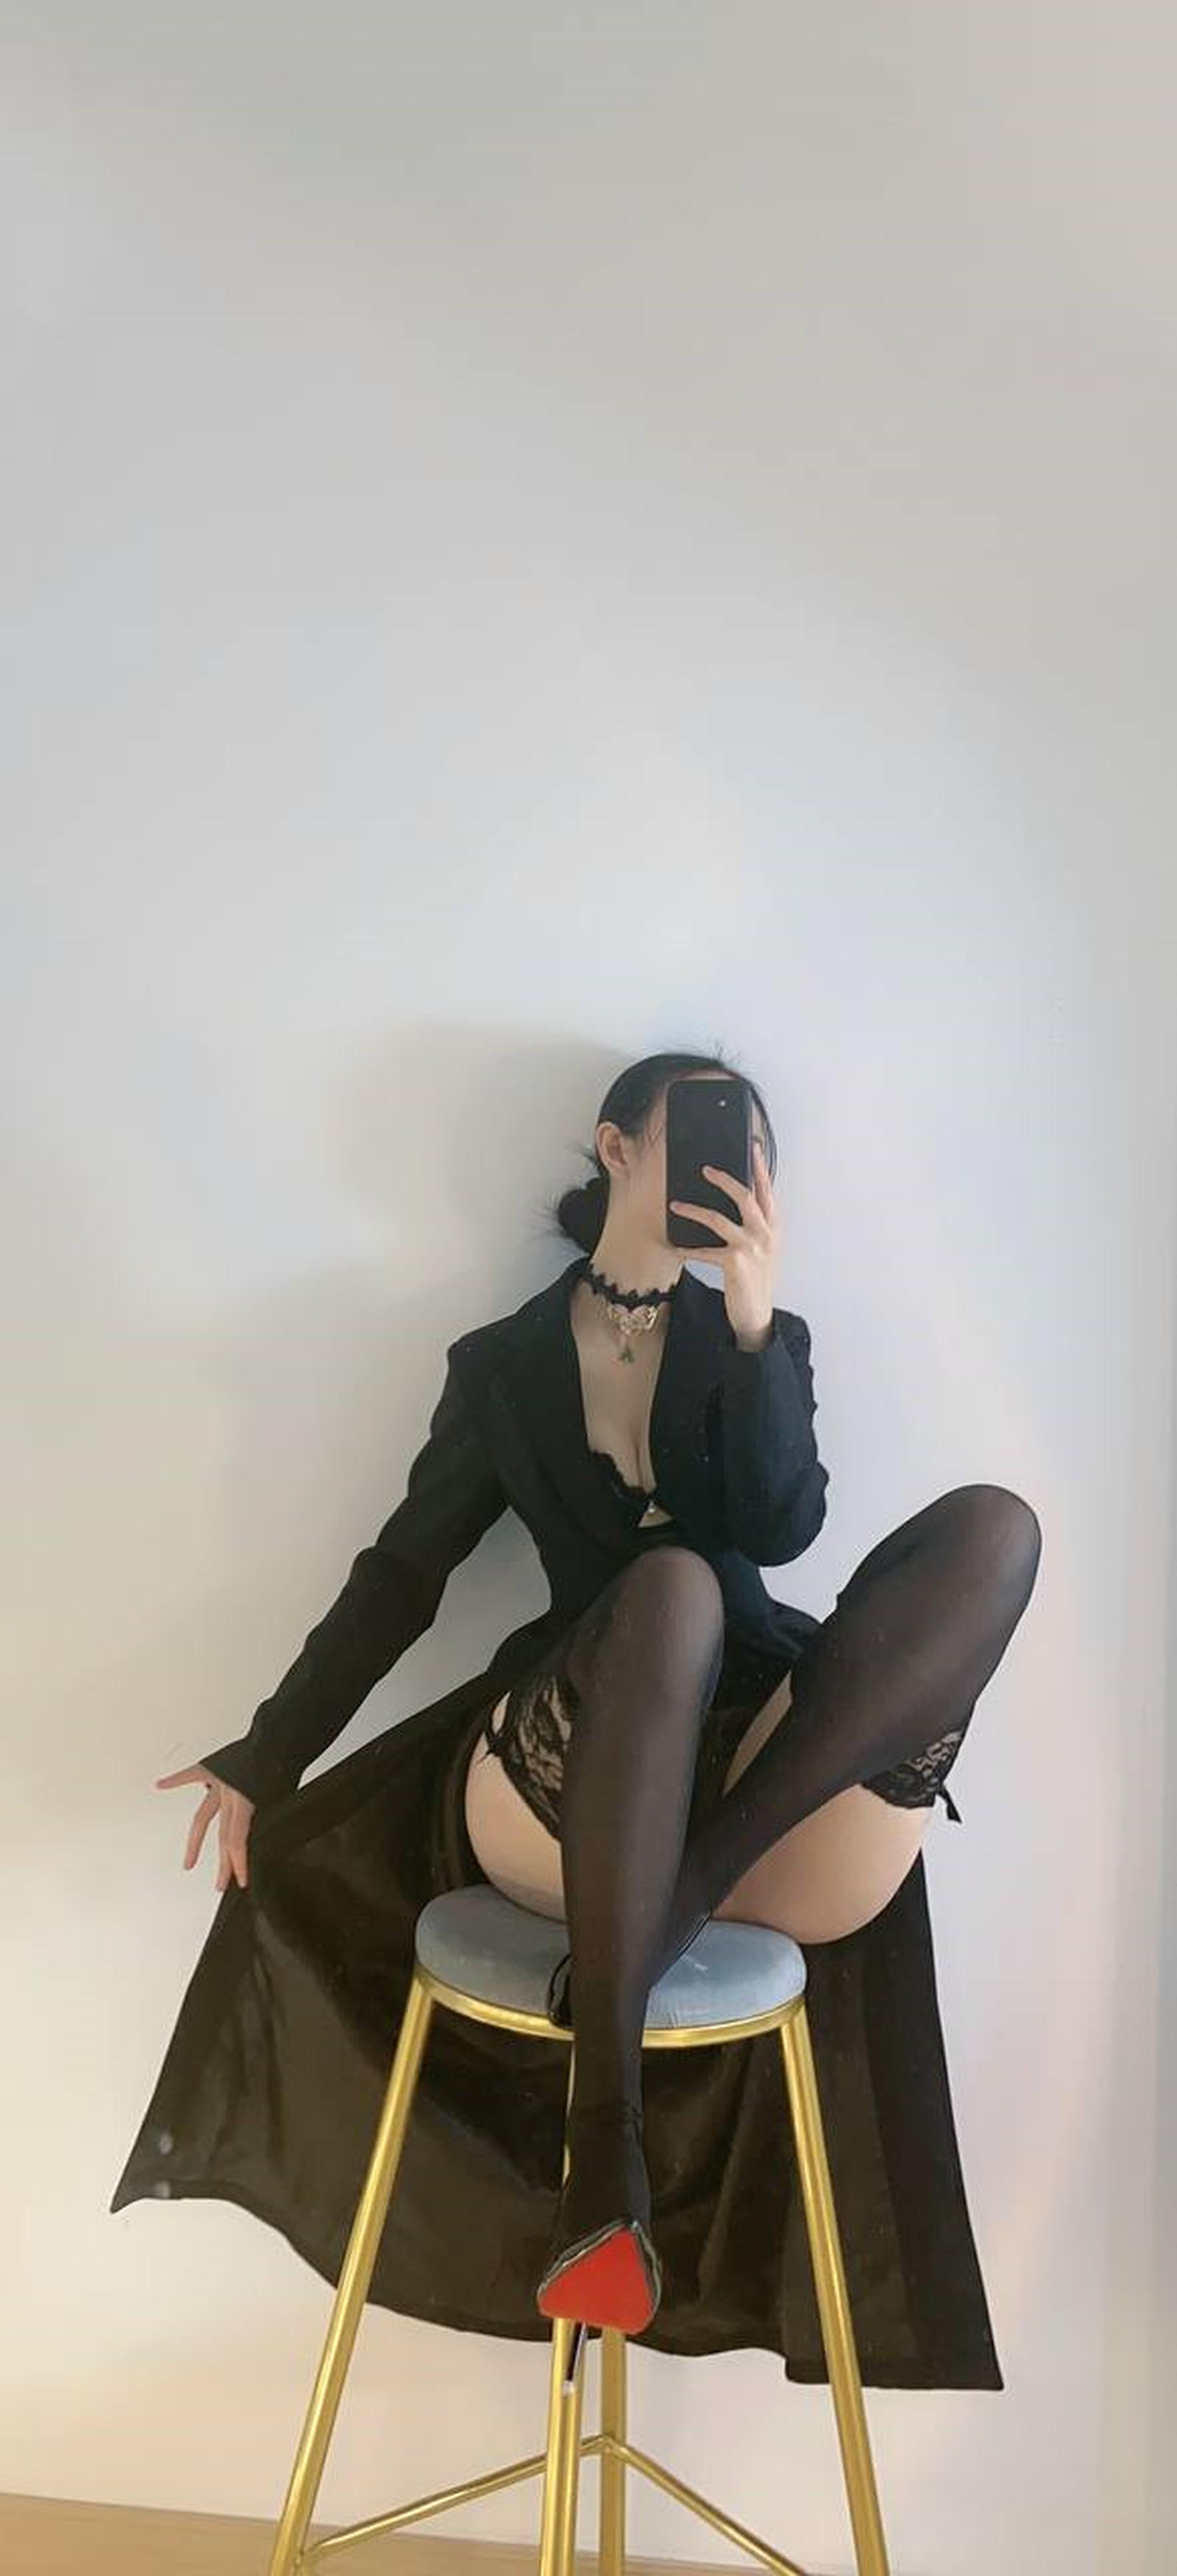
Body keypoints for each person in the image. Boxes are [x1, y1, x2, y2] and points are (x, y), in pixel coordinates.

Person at [154, 1051, 1042, 2345]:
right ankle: (602, 2148)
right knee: (669, 1588)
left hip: (760, 1788)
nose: (732, 1169)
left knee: (995, 1530)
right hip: (568, 1769)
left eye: (753, 1154)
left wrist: (752, 1324)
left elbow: (783, 1527)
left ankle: (685, 1893)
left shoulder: (755, 1337)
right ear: (616, 1145)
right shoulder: (501, 1366)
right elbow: (404, 1575)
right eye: (704, 1135)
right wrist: (266, 1750)